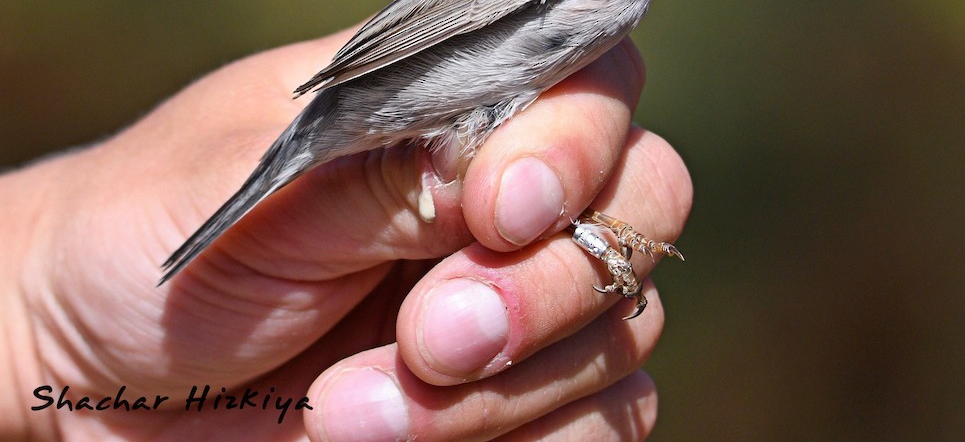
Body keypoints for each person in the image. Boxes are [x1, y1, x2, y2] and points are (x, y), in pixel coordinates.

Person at [1, 31, 691, 441]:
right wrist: (35, 330)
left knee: (520, 192)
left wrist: (38, 341)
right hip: (394, 93)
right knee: (506, 187)